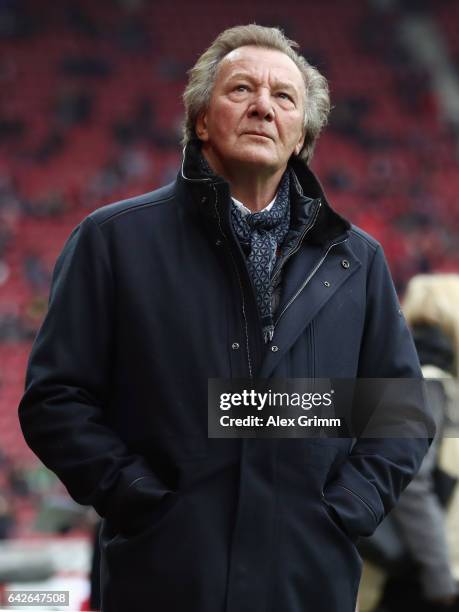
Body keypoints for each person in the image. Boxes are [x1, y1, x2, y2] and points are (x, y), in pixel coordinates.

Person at [18, 24, 433, 612]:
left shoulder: (355, 261)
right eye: (241, 89)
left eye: (284, 97)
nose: (263, 107)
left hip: (306, 584)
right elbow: (56, 398)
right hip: (164, 581)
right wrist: (136, 495)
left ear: (301, 137)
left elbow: (400, 410)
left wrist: (347, 509)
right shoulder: (113, 241)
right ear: (202, 121)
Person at [374, 274, 459, 612]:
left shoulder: (414, 378)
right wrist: (441, 576)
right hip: (416, 574)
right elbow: (412, 484)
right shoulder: (430, 382)